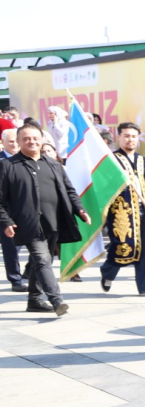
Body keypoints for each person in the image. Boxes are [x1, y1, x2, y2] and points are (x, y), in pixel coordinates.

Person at [0, 123, 90, 316]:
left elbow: (69, 190)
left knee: (39, 261)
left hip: (54, 221)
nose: (31, 142)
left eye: (35, 138)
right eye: (26, 139)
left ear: (42, 140)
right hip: (28, 224)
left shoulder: (53, 164)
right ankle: (56, 300)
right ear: (19, 141)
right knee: (42, 260)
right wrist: (6, 221)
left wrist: (80, 209)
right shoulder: (7, 166)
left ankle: (34, 300)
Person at [100, 123, 145, 296]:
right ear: (119, 137)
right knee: (123, 246)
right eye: (126, 136)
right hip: (122, 212)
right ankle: (108, 271)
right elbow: (104, 188)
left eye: (134, 136)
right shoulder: (111, 161)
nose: (130, 139)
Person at [1, 128, 29, 292]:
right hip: (6, 212)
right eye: (10, 141)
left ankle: (29, 271)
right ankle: (16, 280)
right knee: (10, 248)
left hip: (26, 209)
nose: (13, 145)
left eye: (15, 141)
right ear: (3, 142)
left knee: (40, 246)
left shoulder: (26, 159)